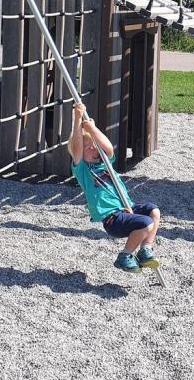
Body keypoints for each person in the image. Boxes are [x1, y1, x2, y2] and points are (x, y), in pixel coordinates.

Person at [68, 102, 161, 273]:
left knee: (153, 211)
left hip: (126, 207)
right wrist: (78, 118)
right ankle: (125, 255)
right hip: (112, 218)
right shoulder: (83, 170)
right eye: (88, 148)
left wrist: (93, 129)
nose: (93, 149)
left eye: (94, 146)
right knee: (146, 224)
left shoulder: (105, 163)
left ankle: (146, 249)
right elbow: (76, 148)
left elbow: (108, 147)